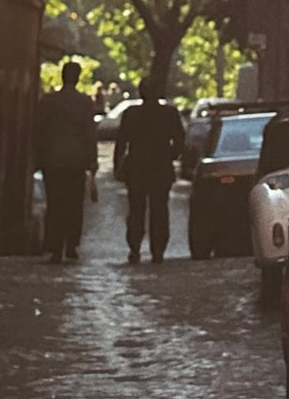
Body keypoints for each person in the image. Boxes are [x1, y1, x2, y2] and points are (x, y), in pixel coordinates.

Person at [114, 77, 185, 264]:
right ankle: (158, 251)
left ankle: (135, 249)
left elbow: (121, 142)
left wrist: (117, 167)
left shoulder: (132, 114)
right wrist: (170, 156)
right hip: (160, 167)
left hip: (137, 167)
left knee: (136, 210)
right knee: (159, 210)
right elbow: (180, 140)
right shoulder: (169, 114)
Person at [34, 60, 99, 264]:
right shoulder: (85, 102)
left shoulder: (48, 101)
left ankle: (55, 245)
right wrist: (92, 160)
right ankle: (71, 244)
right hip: (76, 160)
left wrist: (38, 157)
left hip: (52, 160)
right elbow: (90, 133)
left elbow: (39, 131)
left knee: (55, 203)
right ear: (78, 77)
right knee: (73, 204)